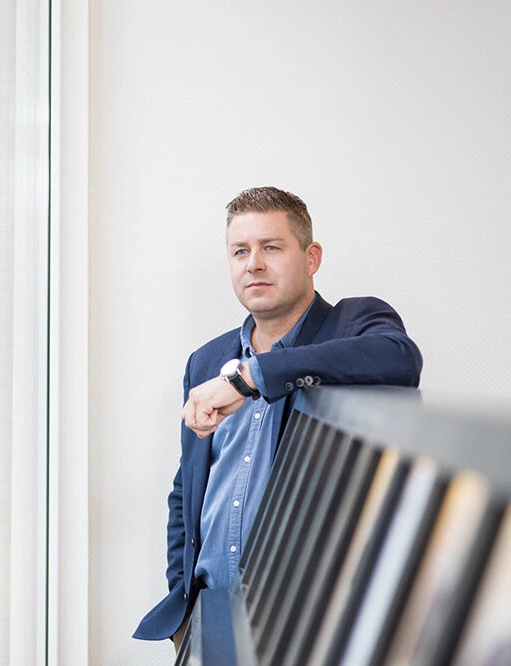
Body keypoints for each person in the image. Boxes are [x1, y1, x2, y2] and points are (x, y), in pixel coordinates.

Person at [133, 187, 422, 647]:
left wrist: (254, 377)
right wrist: (185, 603)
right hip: (214, 622)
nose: (254, 264)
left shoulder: (354, 324)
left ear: (311, 257)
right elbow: (186, 490)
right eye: (240, 251)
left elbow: (400, 359)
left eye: (271, 247)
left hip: (314, 622)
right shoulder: (207, 361)